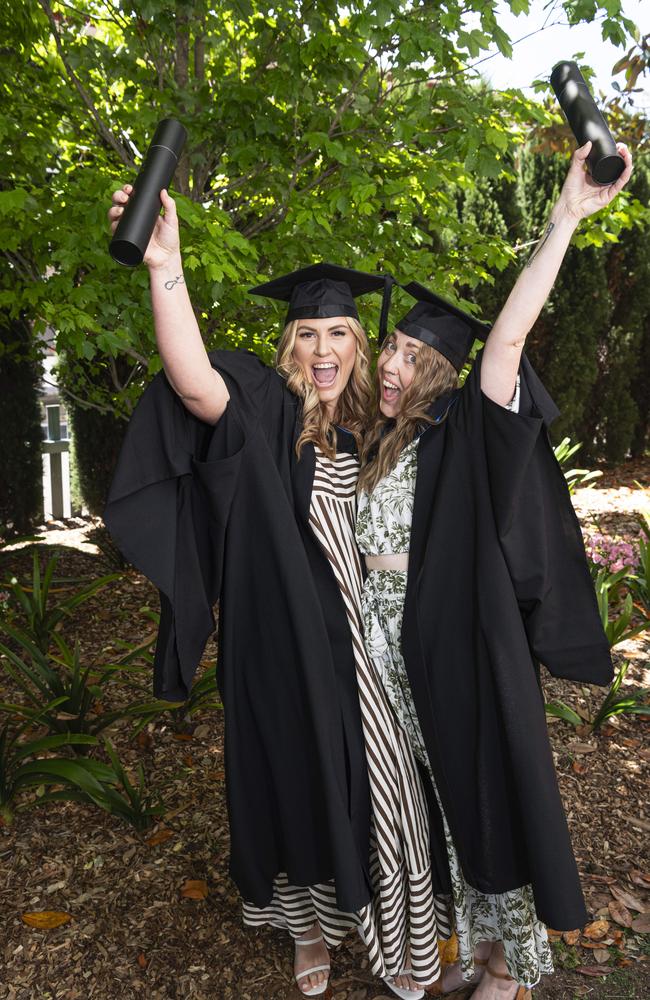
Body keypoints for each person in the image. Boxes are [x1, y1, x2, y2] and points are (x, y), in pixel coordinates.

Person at [103, 186, 447, 999]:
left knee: (390, 787)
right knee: (292, 780)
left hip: (366, 649)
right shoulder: (261, 405)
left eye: (338, 333)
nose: (322, 349)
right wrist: (167, 266)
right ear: (287, 343)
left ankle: (401, 934)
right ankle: (307, 929)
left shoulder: (377, 432)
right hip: (279, 644)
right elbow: (191, 381)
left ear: (359, 346)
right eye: (307, 334)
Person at [354, 138, 633, 999]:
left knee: (483, 795)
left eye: (412, 355)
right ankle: (451, 945)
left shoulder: (465, 429)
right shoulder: (368, 438)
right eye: (389, 348)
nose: (393, 365)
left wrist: (562, 221)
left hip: (456, 642)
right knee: (419, 809)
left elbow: (507, 339)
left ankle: (507, 965)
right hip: (377, 642)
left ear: (440, 369)